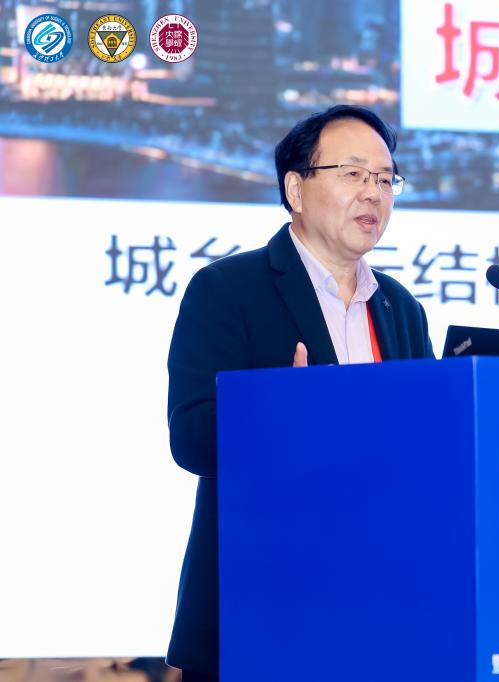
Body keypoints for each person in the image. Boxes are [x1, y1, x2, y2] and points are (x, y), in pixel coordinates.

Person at [165, 105, 433, 680]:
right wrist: (282, 412)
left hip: (379, 612)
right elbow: (191, 438)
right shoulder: (228, 290)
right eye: (353, 174)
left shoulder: (401, 308)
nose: (373, 193)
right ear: (296, 189)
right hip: (262, 609)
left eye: (385, 179)